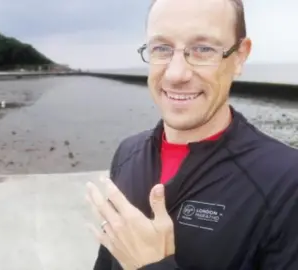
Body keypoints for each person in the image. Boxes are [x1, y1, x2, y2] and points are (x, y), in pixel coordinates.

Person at [85, 0, 298, 269]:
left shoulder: (287, 182)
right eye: (161, 48)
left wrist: (151, 265)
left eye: (203, 49)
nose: (176, 74)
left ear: (240, 56)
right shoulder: (128, 153)